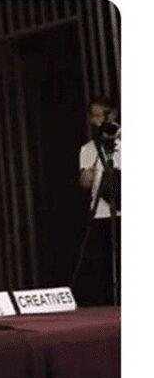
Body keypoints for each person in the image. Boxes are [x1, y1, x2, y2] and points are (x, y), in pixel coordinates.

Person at [75, 96, 121, 305]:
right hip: (101, 212)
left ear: (113, 114)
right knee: (104, 264)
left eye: (102, 114)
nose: (99, 120)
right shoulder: (88, 149)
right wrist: (85, 178)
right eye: (94, 116)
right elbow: (85, 184)